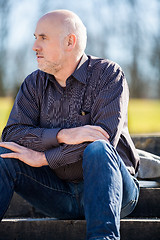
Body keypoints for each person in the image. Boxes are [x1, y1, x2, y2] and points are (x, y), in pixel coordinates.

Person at [0, 9, 140, 240]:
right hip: (58, 193)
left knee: (98, 149)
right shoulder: (33, 83)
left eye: (42, 38)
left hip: (114, 193)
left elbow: (103, 139)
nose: (35, 46)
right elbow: (13, 134)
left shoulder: (108, 75)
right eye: (35, 38)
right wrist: (63, 135)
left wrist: (44, 158)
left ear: (69, 41)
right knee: (6, 153)